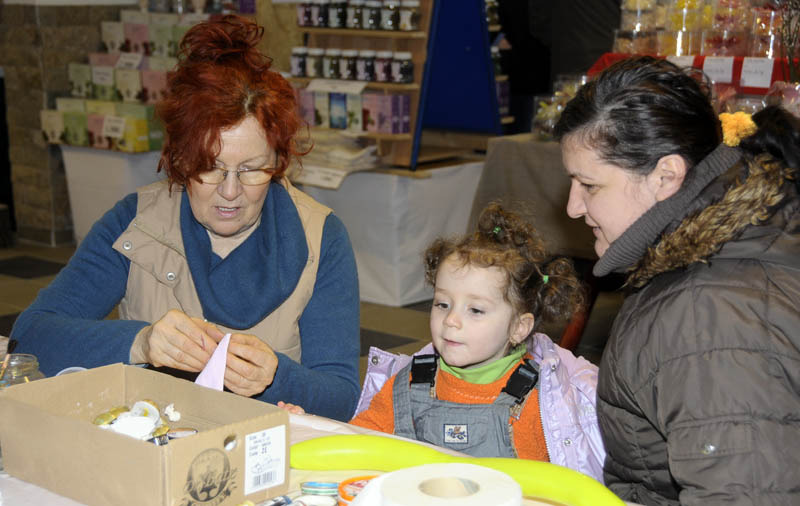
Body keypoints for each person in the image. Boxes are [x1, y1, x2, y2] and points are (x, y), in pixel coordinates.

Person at [11, 16, 361, 422]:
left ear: (279, 162)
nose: (230, 191)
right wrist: (140, 342)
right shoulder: (136, 223)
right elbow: (29, 337)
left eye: (252, 169)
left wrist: (278, 376)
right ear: (179, 158)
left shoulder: (321, 237)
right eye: (210, 167)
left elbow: (342, 397)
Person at [555, 55, 800, 504]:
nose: (573, 207)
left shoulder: (707, 317)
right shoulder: (733, 243)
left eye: (589, 185)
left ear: (666, 176)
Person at [286, 203, 606, 481]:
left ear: (519, 328)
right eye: (442, 304)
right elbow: (359, 443)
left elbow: (547, 488)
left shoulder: (541, 402)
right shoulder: (408, 383)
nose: (451, 320)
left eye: (475, 310)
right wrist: (308, 428)